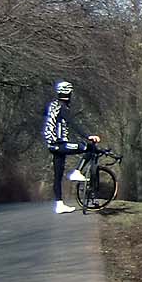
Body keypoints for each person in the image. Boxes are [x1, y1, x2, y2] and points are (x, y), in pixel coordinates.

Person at [41, 80, 99, 214]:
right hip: (60, 144)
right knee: (90, 148)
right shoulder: (62, 107)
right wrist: (88, 136)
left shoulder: (53, 105)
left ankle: (59, 205)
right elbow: (73, 123)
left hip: (52, 145)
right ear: (69, 93)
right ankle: (77, 171)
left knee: (58, 175)